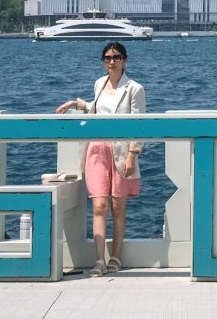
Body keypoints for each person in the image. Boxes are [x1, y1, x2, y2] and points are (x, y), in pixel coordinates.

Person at [56, 40, 146, 276]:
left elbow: (139, 124)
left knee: (117, 207)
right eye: (107, 58)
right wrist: (76, 103)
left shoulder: (135, 88)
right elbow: (97, 110)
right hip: (96, 148)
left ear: (125, 60)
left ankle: (115, 256)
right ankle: (99, 260)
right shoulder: (99, 83)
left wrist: (132, 155)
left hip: (120, 150)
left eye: (116, 57)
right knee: (98, 205)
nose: (112, 62)